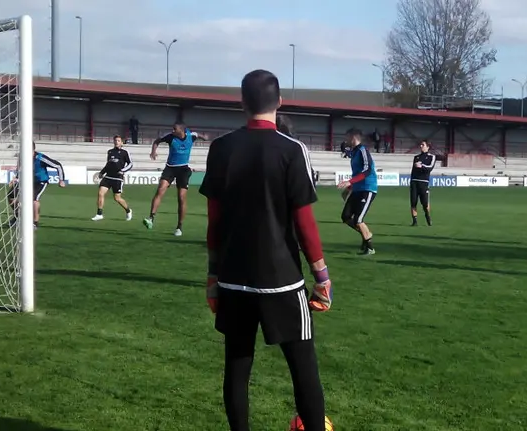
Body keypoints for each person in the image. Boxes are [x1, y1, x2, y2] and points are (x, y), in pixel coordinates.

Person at [200, 69, 331, 431]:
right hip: (283, 282)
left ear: (242, 103)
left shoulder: (221, 148)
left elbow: (214, 223)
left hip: (233, 279)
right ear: (280, 102)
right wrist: (321, 276)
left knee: (238, 368)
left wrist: (213, 277)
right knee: (304, 371)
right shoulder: (292, 150)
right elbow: (304, 223)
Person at [143, 122, 208, 236]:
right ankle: (151, 218)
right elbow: (157, 141)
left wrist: (205, 137)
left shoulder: (191, 136)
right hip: (170, 168)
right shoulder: (170, 137)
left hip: (183, 169)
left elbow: (199, 135)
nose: (172, 130)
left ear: (182, 130)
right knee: (160, 190)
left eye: (175, 129)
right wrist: (153, 151)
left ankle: (179, 227)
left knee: (181, 198)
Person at [336, 128, 377, 255]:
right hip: (357, 189)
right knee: (346, 216)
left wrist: (350, 182)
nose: (346, 140)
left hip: (368, 188)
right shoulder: (354, 152)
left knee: (358, 219)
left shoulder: (363, 151)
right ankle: (366, 235)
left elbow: (367, 170)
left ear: (354, 137)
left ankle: (370, 247)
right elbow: (357, 173)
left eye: (347, 137)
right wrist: (350, 188)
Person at [7, 141, 65, 229]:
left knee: (34, 199)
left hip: (40, 181)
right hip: (26, 181)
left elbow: (58, 165)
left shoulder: (41, 158)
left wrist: (61, 180)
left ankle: (35, 223)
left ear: (33, 150)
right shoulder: (22, 157)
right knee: (11, 195)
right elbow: (20, 168)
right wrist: (16, 178)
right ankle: (18, 216)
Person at [91, 135, 133, 221]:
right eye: (115, 140)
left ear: (121, 142)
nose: (116, 142)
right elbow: (108, 164)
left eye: (118, 141)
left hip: (118, 178)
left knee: (117, 198)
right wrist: (102, 172)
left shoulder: (125, 152)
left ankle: (128, 211)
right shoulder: (110, 152)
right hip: (108, 176)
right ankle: (99, 214)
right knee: (100, 193)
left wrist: (123, 170)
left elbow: (130, 164)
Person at [410, 140, 436, 226]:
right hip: (414, 182)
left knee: (425, 203)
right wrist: (411, 180)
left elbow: (430, 167)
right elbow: (413, 170)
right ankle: (414, 221)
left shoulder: (431, 157)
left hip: (424, 182)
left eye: (423, 145)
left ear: (427, 147)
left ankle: (427, 216)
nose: (421, 146)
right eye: (420, 144)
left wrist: (422, 166)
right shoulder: (416, 157)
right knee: (413, 202)